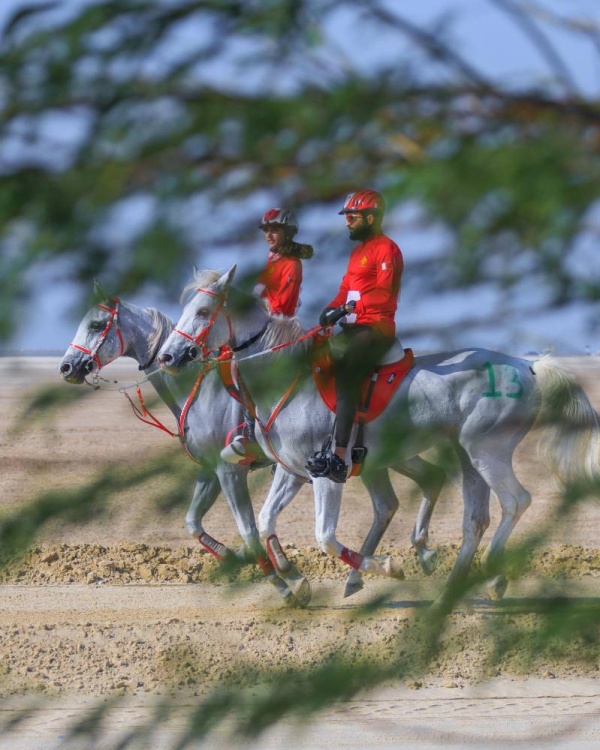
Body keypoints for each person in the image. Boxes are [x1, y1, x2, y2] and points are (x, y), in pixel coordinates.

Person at [307, 189, 403, 483]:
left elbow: (385, 293)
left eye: (352, 216)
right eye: (346, 217)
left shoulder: (387, 249)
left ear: (370, 218)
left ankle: (339, 455)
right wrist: (331, 308)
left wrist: (350, 308)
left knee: (348, 372)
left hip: (376, 328)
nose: (347, 222)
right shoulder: (356, 253)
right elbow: (344, 289)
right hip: (351, 327)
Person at [220, 208, 313, 465]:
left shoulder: (291, 264)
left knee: (242, 370)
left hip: (280, 331)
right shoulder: (271, 261)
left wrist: (251, 304)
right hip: (260, 328)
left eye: (275, 230)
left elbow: (281, 306)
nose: (269, 235)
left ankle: (254, 434)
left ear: (287, 233)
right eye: (266, 231)